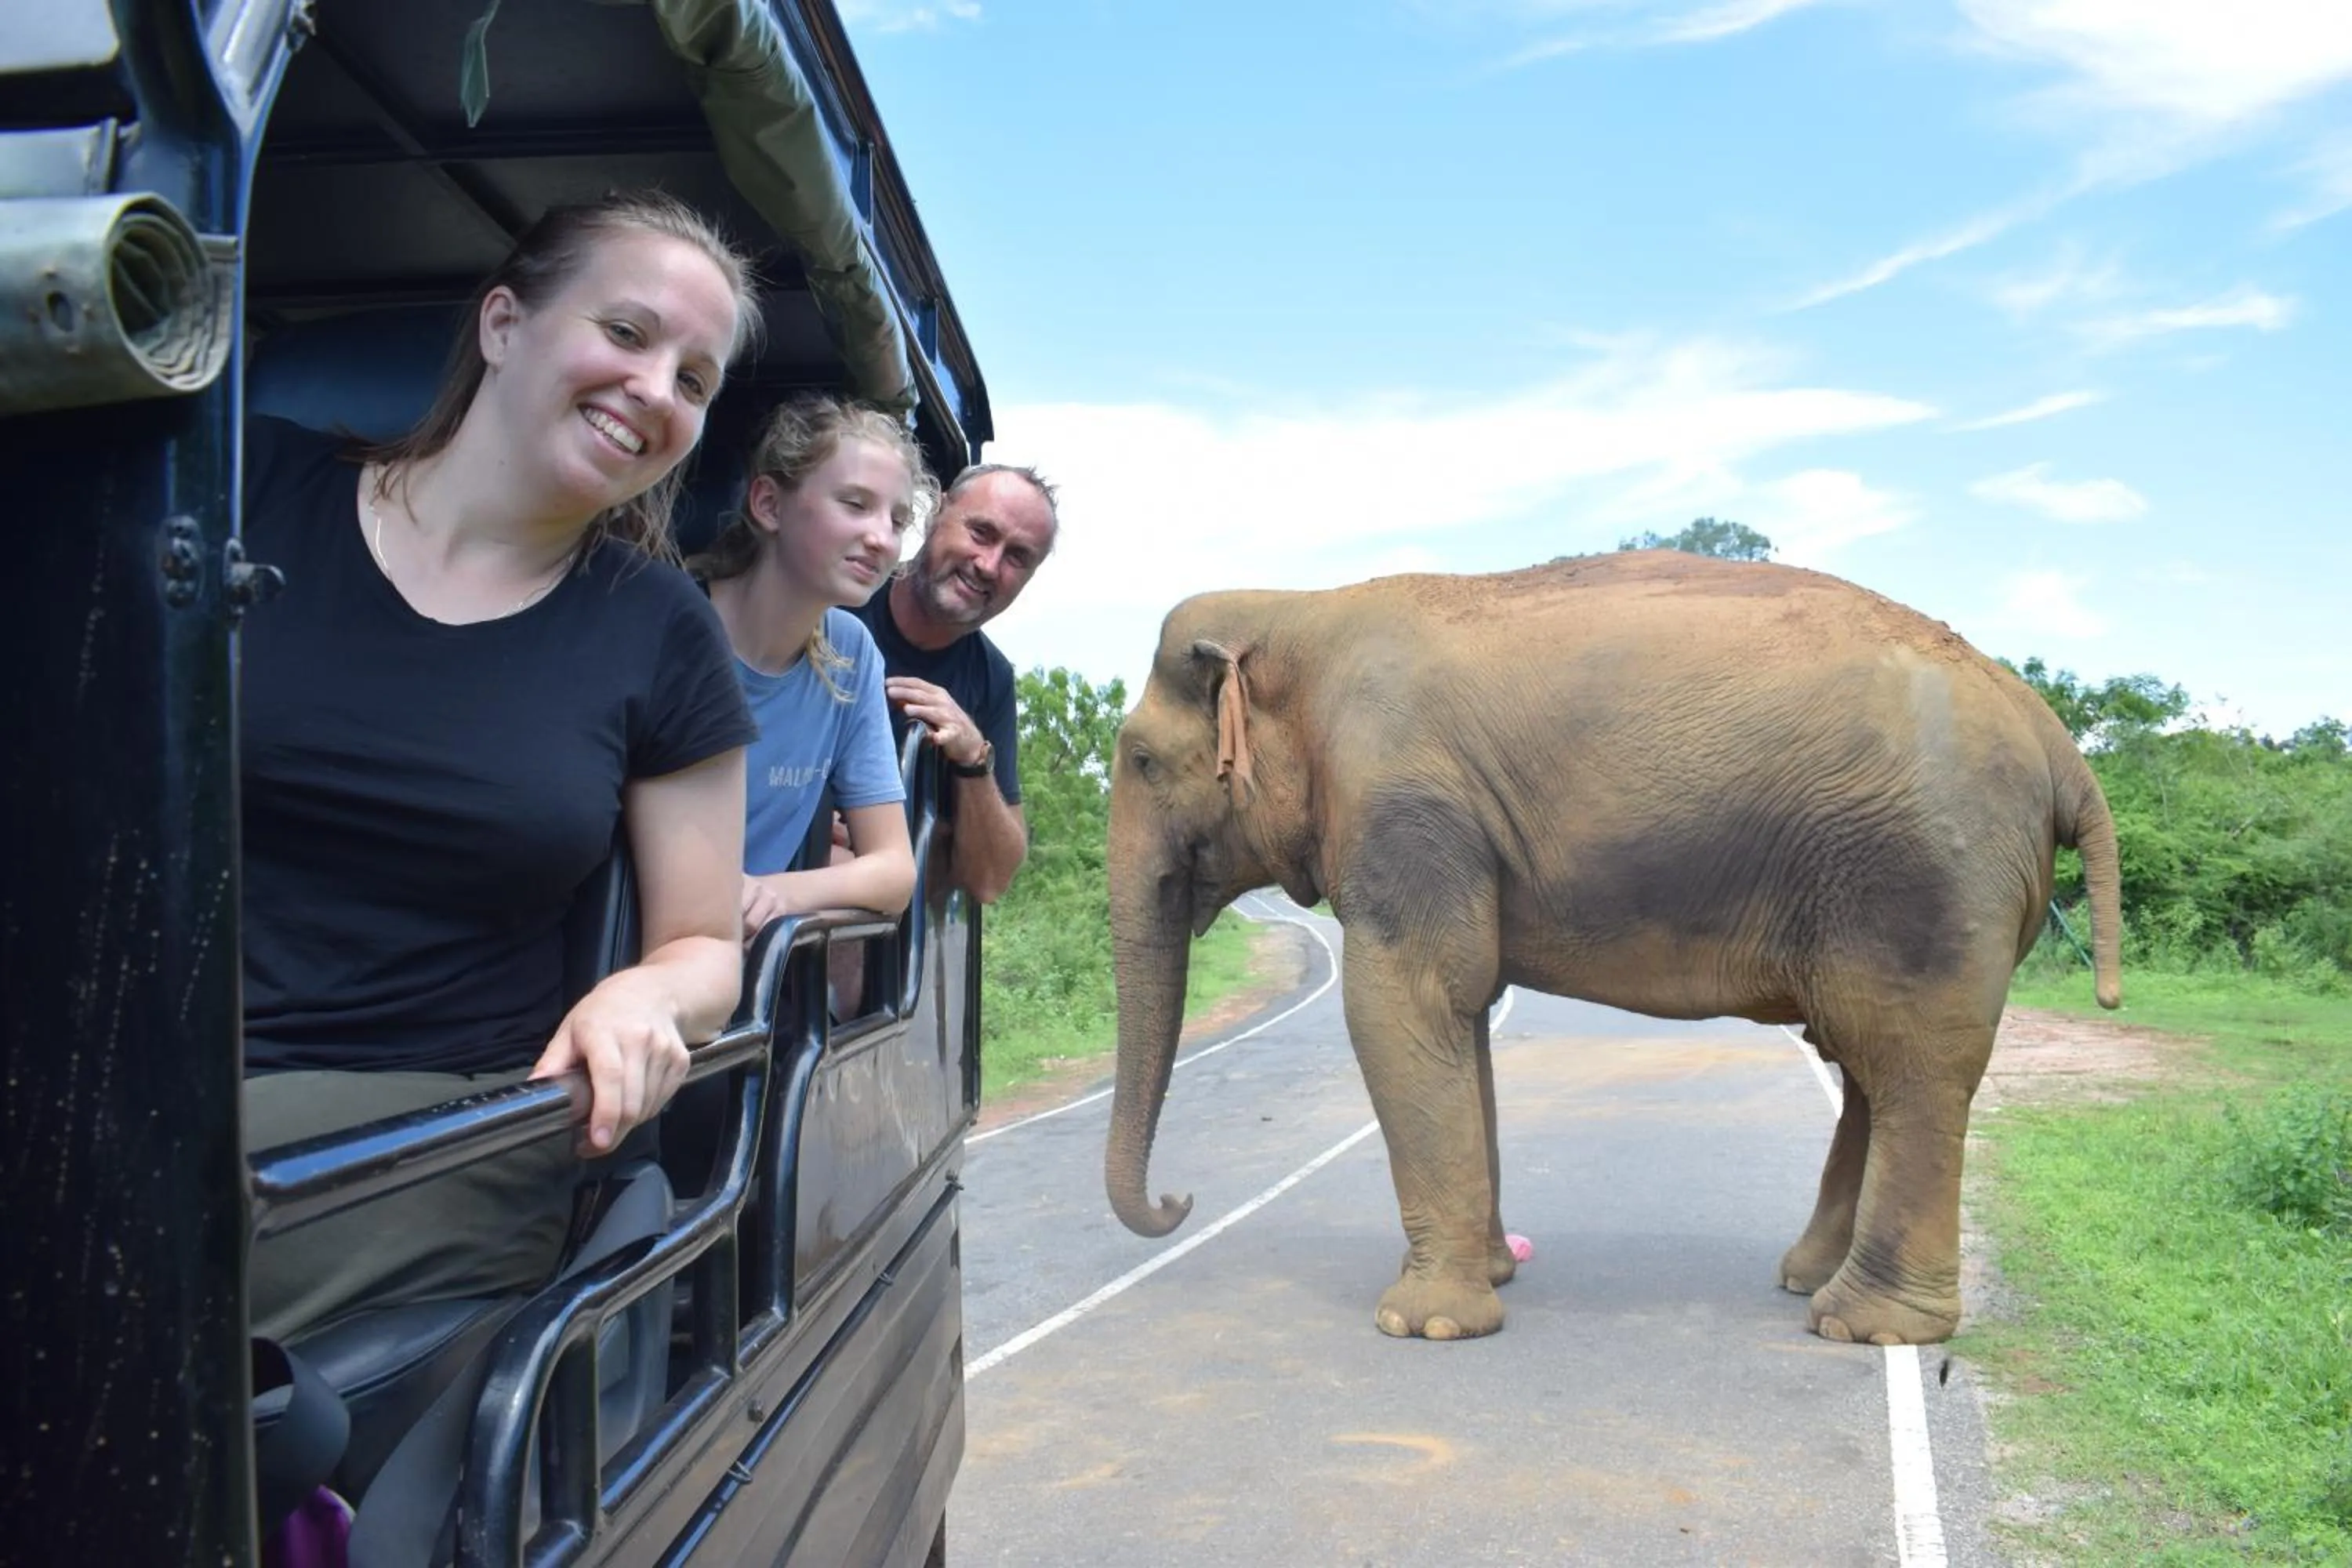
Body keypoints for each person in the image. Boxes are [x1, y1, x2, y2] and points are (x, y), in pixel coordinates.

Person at [238, 191, 764, 1342]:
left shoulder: (661, 628)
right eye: (627, 334)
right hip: (127, 1058)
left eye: (693, 380)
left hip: (432, 1126)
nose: (656, 391)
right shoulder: (243, 490)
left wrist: (643, 992)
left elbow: (703, 947)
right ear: (503, 325)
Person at [691, 396, 921, 936]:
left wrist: (764, 893)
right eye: (855, 504)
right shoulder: (673, 624)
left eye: (898, 519)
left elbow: (894, 872)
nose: (882, 538)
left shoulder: (850, 654)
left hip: (731, 963)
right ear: (770, 505)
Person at [848, 461, 1059, 904]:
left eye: (1018, 557)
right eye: (981, 532)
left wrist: (973, 758)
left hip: (890, 958)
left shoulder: (991, 678)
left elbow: (989, 881)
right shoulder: (843, 601)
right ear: (936, 513)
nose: (989, 565)